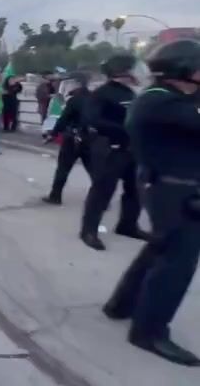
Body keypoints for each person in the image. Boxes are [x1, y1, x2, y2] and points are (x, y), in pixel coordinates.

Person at [102, 39, 200, 366]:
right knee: (176, 264)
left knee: (159, 249)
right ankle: (149, 332)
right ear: (184, 69)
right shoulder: (161, 102)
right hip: (175, 191)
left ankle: (121, 305)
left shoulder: (167, 98)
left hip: (169, 187)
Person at [79, 54, 150, 251]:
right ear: (123, 71)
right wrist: (124, 129)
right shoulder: (102, 93)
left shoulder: (131, 92)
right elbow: (91, 120)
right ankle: (88, 231)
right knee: (102, 191)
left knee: (135, 190)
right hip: (110, 148)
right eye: (134, 68)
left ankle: (127, 225)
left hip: (132, 149)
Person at [42, 73, 93, 205]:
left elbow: (63, 120)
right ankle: (101, 198)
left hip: (72, 138)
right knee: (94, 170)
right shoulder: (94, 98)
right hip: (90, 139)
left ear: (77, 83)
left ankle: (55, 196)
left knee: (63, 168)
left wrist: (53, 134)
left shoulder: (74, 100)